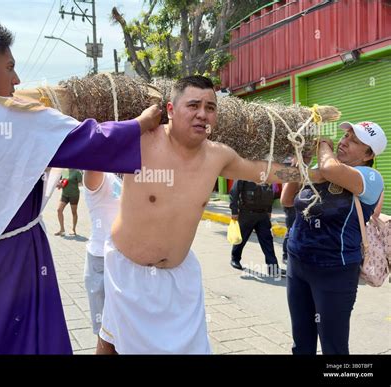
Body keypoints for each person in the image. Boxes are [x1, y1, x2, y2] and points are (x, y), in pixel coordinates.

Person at [0, 19, 160, 354]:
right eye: (10, 67)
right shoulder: (4, 115)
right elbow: (85, 141)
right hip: (12, 262)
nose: (17, 80)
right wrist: (139, 124)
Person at [97, 75, 325, 354]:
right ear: (170, 110)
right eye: (193, 105)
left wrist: (314, 174)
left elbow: (262, 172)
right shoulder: (140, 141)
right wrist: (136, 125)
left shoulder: (219, 156)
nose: (202, 114)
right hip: (127, 271)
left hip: (179, 279)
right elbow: (93, 144)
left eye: (210, 107)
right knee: (113, 340)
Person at [283, 121, 386, 355]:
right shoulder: (323, 167)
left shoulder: (369, 178)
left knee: (334, 347)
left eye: (355, 141)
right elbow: (287, 200)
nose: (344, 141)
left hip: (334, 272)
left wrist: (322, 144)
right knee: (301, 343)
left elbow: (331, 170)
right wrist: (304, 161)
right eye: (346, 135)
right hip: (297, 264)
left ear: (368, 154)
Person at [83, 171, 122, 342]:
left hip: (125, 261)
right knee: (105, 336)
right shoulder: (100, 175)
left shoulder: (121, 176)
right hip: (101, 261)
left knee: (123, 332)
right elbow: (94, 161)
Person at [229, 180, 285, 277]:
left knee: (267, 241)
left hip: (263, 214)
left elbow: (270, 192)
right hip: (247, 213)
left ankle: (273, 268)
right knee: (242, 238)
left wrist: (269, 210)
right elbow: (234, 192)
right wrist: (234, 211)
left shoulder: (266, 174)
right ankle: (235, 258)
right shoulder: (244, 174)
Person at [55, 169, 83, 236]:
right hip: (64, 194)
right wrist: (60, 184)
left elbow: (81, 184)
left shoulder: (77, 172)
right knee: (59, 210)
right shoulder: (64, 171)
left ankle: (73, 230)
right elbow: (62, 181)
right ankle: (62, 230)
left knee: (74, 212)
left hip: (74, 195)